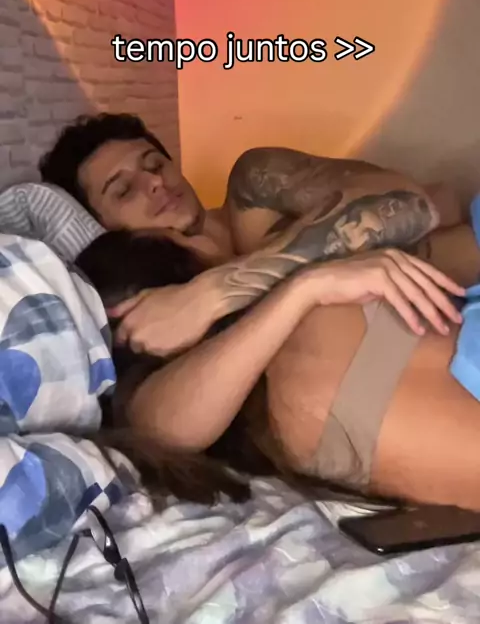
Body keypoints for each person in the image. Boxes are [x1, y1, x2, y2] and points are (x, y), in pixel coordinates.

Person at [75, 218, 480, 514]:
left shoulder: (281, 399)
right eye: (183, 237)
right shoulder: (300, 337)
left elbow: (434, 212)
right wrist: (304, 288)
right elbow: (157, 428)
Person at [39, 112, 462, 355]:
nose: (154, 182)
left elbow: (414, 203)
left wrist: (211, 293)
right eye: (124, 190)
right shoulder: (164, 314)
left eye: (155, 164)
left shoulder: (255, 188)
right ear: (100, 230)